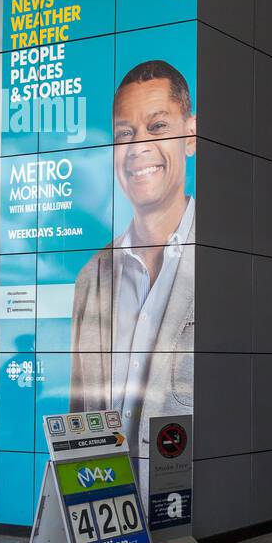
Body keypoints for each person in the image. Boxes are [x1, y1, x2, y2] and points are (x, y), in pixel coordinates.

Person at [70, 60, 195, 455]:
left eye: (157, 127)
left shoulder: (229, 262)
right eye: (126, 133)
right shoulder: (91, 278)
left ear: (190, 136)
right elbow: (79, 421)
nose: (139, 148)